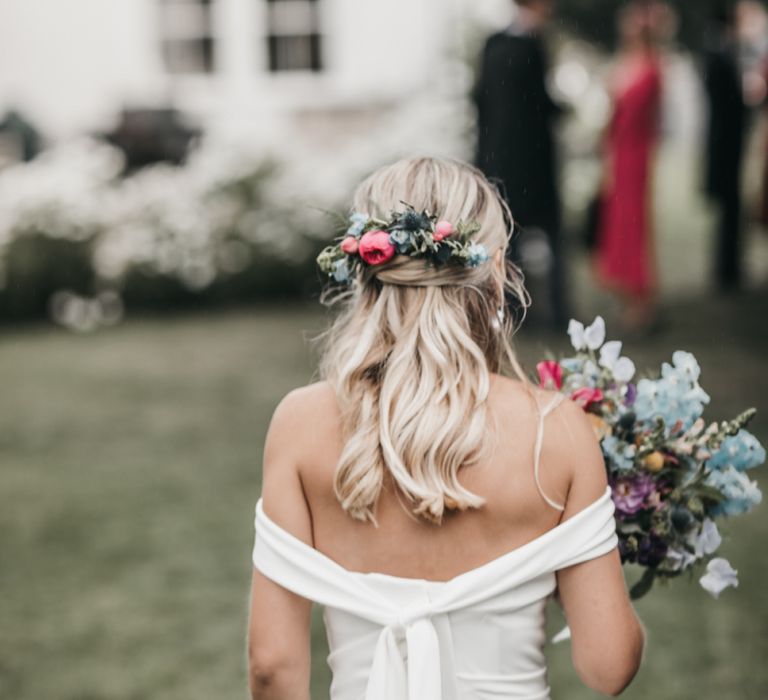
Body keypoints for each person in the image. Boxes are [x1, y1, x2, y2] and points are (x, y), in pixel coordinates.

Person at [247, 157, 645, 699]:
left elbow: (272, 665)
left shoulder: (301, 424)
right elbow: (608, 666)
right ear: (499, 269)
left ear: (366, 266)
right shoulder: (559, 433)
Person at [474, 0, 567, 327]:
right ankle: (555, 312)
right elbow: (540, 106)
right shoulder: (533, 46)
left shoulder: (492, 44)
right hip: (533, 164)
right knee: (550, 238)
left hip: (498, 161)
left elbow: (480, 103)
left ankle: (512, 311)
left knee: (507, 239)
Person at [595, 2, 663, 334]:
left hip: (634, 154)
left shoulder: (651, 68)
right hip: (620, 152)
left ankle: (641, 302)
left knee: (634, 227)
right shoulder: (629, 63)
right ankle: (628, 296)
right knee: (620, 226)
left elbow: (636, 116)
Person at [703, 2, 747, 290]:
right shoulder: (720, 55)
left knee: (730, 210)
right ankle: (726, 269)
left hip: (725, 143)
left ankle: (728, 266)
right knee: (729, 208)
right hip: (726, 145)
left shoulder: (718, 54)